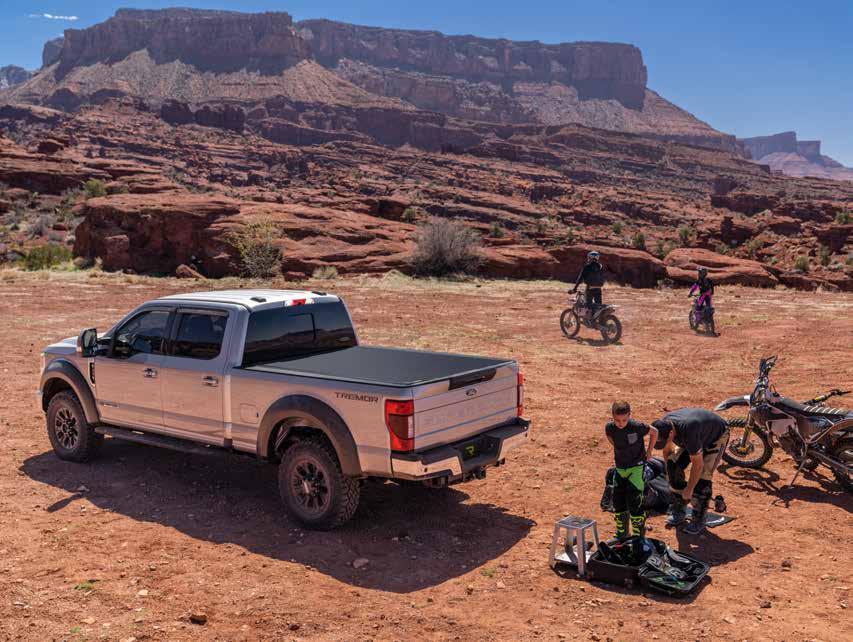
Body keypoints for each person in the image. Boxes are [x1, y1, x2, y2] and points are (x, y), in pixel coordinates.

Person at [652, 408, 730, 536]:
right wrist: (671, 475)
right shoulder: (663, 426)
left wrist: (689, 488)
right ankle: (679, 508)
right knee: (673, 466)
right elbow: (667, 452)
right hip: (694, 435)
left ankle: (699, 518)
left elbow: (697, 465)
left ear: (671, 433)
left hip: (716, 436)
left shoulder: (689, 431)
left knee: (703, 479)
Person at [604, 400, 659, 542]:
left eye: (624, 420)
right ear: (612, 416)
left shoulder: (637, 426)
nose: (620, 423)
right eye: (617, 420)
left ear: (629, 415)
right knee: (618, 501)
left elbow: (655, 432)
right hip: (620, 468)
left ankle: (638, 536)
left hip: (636, 468)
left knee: (635, 502)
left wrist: (649, 451)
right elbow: (611, 438)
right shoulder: (610, 428)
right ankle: (622, 534)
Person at [571, 251, 606, 316]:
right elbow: (603, 277)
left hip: (589, 288)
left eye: (589, 257)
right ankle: (598, 318)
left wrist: (574, 289)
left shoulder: (587, 266)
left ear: (590, 258)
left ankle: (590, 319)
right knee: (599, 305)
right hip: (598, 288)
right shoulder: (600, 267)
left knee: (588, 304)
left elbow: (580, 278)